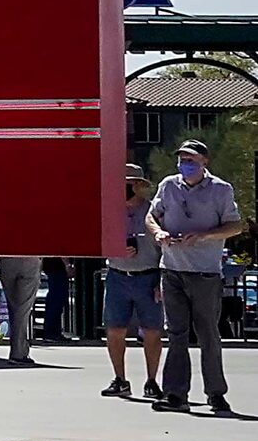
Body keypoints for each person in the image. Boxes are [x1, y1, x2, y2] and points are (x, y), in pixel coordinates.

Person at [146, 138, 243, 415]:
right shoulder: (168, 185)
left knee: (208, 334)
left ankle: (216, 393)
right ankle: (175, 394)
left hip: (205, 273)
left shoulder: (220, 190)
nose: (185, 164)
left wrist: (204, 236)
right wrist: (158, 233)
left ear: (204, 162)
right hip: (172, 269)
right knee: (176, 333)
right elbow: (152, 216)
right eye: (182, 159)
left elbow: (234, 226)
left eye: (190, 160)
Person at [101, 162, 164, 400]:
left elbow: (163, 248)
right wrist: (114, 249)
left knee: (152, 331)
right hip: (118, 275)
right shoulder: (110, 211)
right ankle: (120, 379)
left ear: (138, 186)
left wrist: (161, 280)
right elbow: (100, 242)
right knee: (115, 329)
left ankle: (151, 380)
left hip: (148, 276)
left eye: (127, 184)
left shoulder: (153, 212)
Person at [0, 254, 46, 363]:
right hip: (29, 259)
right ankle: (18, 351)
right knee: (22, 309)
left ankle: (19, 349)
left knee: (14, 306)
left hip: (6, 259)